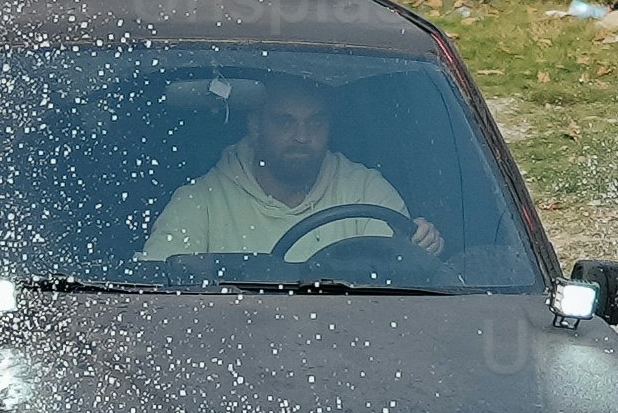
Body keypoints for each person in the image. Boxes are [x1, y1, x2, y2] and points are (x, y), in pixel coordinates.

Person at [137, 73, 429, 267]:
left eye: (315, 122)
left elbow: (398, 279)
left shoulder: (366, 190)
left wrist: (423, 244)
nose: (302, 136)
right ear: (255, 127)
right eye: (285, 122)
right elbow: (156, 289)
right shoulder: (201, 201)